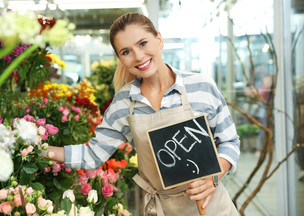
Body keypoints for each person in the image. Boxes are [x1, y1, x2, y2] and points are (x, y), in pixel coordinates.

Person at [41, 12, 240, 215]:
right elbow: (93, 154)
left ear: (159, 39)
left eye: (143, 43)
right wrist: (38, 149)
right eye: (126, 51)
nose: (138, 56)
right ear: (119, 58)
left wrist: (212, 178)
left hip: (212, 206)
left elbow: (229, 142)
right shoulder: (123, 103)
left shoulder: (201, 86)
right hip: (162, 209)